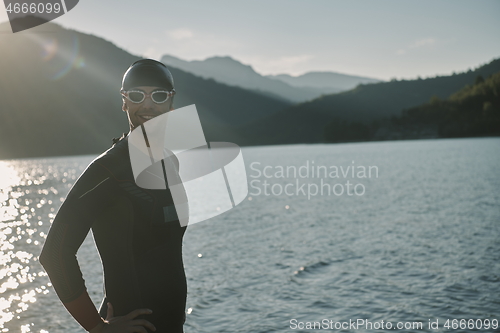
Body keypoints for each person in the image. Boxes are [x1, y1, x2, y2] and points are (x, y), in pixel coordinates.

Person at [40, 59, 187, 333]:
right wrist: (96, 326)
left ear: (170, 102)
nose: (147, 105)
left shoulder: (170, 163)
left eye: (157, 95)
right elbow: (55, 253)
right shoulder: (107, 170)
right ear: (124, 102)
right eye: (136, 95)